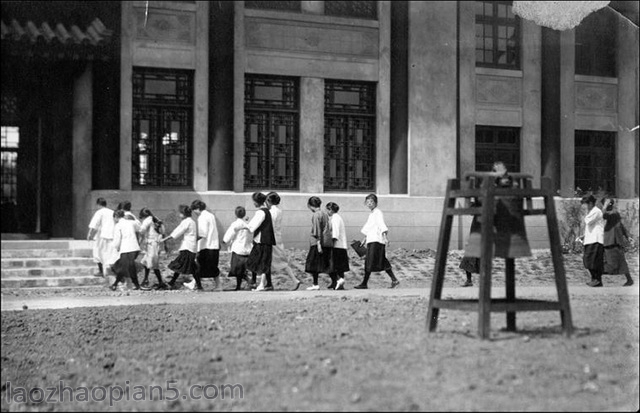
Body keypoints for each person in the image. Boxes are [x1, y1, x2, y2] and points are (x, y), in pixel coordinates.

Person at [354, 194, 399, 289]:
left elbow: (381, 225)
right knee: (380, 260)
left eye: (371, 202)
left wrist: (385, 237)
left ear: (376, 203)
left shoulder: (378, 212)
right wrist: (364, 239)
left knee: (371, 261)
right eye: (368, 202)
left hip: (377, 240)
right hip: (372, 240)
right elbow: (371, 228)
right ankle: (394, 279)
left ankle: (364, 283)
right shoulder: (372, 214)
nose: (369, 204)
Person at [266, 192, 302, 291]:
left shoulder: (272, 212)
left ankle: (294, 280)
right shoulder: (279, 210)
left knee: (270, 261)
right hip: (277, 237)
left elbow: (270, 225)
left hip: (272, 239)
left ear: (269, 201)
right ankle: (266, 283)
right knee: (274, 261)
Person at [243, 192, 276, 292]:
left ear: (257, 202)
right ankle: (264, 283)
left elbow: (253, 226)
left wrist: (244, 225)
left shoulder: (261, 212)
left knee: (262, 262)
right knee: (260, 262)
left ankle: (261, 284)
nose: (253, 203)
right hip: (264, 240)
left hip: (262, 240)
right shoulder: (265, 211)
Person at [160, 205, 198, 290]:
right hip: (190, 247)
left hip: (187, 247)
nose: (179, 214)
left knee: (180, 265)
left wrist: (166, 238)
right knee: (189, 266)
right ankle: (173, 282)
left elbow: (178, 231)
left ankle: (172, 282)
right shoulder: (192, 221)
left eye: (180, 213)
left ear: (184, 214)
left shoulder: (186, 222)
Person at [110, 209, 146, 291]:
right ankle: (136, 285)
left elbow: (117, 239)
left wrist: (116, 247)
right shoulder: (131, 222)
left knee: (124, 267)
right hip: (134, 248)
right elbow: (140, 229)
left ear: (116, 217)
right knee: (129, 267)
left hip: (126, 248)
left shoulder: (118, 225)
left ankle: (115, 284)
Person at [190, 200, 222, 291]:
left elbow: (202, 233)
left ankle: (197, 284)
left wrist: (193, 240)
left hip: (206, 246)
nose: (194, 213)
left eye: (194, 210)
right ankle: (194, 283)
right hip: (213, 245)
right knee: (211, 266)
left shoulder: (202, 217)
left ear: (197, 209)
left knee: (199, 265)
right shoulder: (211, 215)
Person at [601, 198, 634, 286]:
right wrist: (627, 236)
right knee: (619, 262)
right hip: (613, 241)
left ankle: (597, 277)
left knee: (613, 262)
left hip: (613, 241)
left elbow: (604, 215)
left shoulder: (613, 213)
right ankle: (629, 279)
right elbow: (621, 225)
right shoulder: (614, 214)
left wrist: (604, 206)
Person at [304, 196, 333, 291]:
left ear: (310, 205)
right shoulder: (324, 214)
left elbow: (317, 230)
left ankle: (315, 283)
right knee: (325, 263)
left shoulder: (316, 215)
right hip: (326, 242)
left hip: (317, 243)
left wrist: (318, 243)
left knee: (313, 264)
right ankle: (336, 279)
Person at [222, 206, 253, 290]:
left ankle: (239, 285)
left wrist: (225, 241)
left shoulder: (235, 224)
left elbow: (229, 234)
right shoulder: (247, 225)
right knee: (244, 268)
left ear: (235, 214)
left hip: (237, 249)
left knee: (237, 269)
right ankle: (249, 281)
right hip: (246, 249)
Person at [578, 195, 605, 287]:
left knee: (593, 261)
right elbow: (591, 227)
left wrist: (585, 213)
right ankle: (595, 279)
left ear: (590, 203)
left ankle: (597, 280)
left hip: (596, 240)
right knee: (588, 261)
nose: (584, 207)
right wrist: (584, 236)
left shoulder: (596, 211)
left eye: (585, 204)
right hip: (590, 239)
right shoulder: (592, 212)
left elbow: (588, 221)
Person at [138, 207, 167, 290]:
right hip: (155, 243)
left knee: (153, 264)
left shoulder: (147, 220)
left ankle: (160, 282)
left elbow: (141, 230)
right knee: (146, 262)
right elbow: (163, 231)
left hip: (151, 244)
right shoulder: (155, 219)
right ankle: (146, 279)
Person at [86, 198, 116, 277]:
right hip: (111, 235)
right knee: (110, 253)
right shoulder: (112, 212)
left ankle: (101, 271)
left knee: (97, 252)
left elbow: (94, 223)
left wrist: (89, 233)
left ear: (98, 204)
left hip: (102, 235)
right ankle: (111, 271)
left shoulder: (99, 212)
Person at [326, 201, 349, 290]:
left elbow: (335, 233)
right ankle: (336, 282)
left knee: (334, 266)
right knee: (339, 267)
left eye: (327, 209)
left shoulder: (335, 218)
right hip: (341, 246)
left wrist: (331, 243)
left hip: (336, 246)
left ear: (330, 210)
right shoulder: (338, 217)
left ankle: (339, 281)